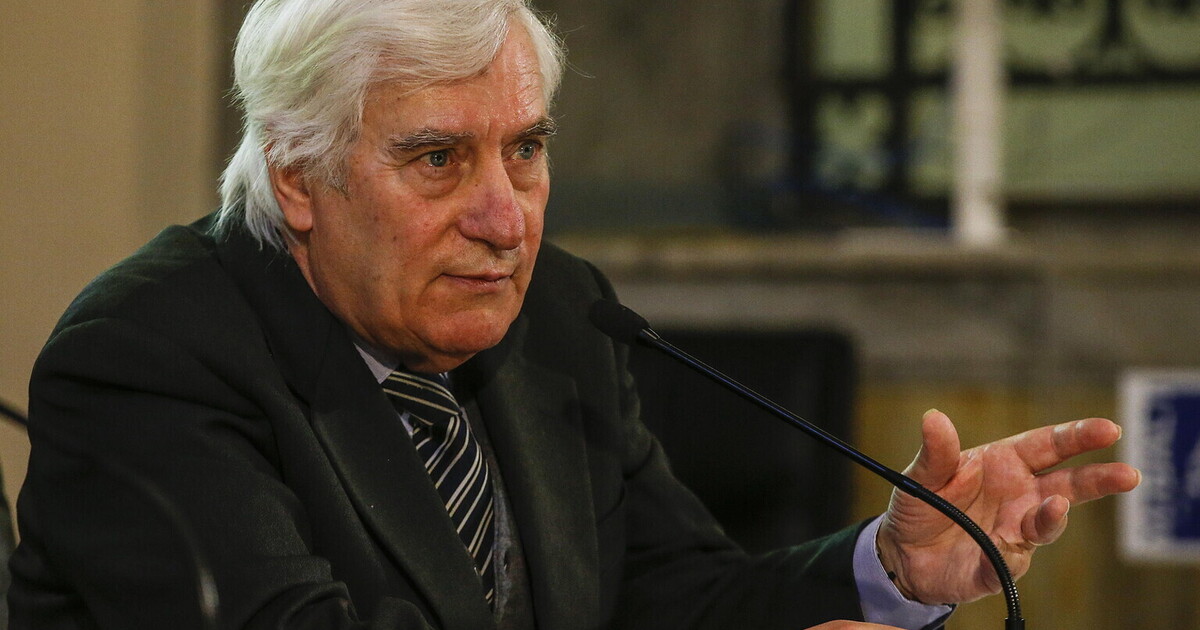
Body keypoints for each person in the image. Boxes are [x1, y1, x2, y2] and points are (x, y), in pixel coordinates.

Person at [7, 1, 1140, 628]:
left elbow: (674, 596)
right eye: (439, 159)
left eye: (527, 149)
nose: (506, 218)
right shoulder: (146, 359)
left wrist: (891, 564)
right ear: (299, 177)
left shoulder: (556, 315)